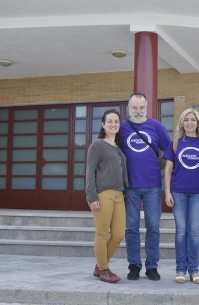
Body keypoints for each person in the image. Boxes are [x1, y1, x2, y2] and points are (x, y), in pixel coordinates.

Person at [120, 93, 171, 281]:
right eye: (135, 107)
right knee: (131, 228)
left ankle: (152, 266)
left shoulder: (156, 126)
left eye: (142, 107)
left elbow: (170, 150)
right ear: (129, 108)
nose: (138, 111)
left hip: (152, 186)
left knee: (153, 227)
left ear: (147, 108)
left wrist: (160, 167)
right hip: (130, 186)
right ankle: (134, 265)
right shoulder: (122, 127)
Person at [163, 108, 199, 284]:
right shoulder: (176, 143)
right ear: (182, 123)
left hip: (198, 193)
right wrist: (168, 192)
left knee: (193, 232)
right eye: (186, 119)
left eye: (193, 119)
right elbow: (168, 170)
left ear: (198, 123)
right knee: (180, 232)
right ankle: (180, 270)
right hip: (178, 192)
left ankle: (194, 270)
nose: (190, 123)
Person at [85, 109, 129, 283]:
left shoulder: (118, 147)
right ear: (103, 124)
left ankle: (99, 265)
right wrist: (92, 196)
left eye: (116, 121)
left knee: (118, 234)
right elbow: (90, 171)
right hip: (103, 194)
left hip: (119, 195)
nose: (113, 124)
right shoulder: (97, 145)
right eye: (109, 121)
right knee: (102, 233)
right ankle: (104, 269)